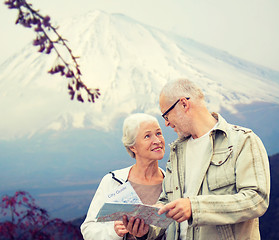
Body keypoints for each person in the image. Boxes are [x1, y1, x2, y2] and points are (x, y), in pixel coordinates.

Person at [124, 78, 270, 240]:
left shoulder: (242, 141)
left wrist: (195, 207)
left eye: (166, 115)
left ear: (184, 104)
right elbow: (166, 204)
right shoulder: (176, 152)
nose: (166, 124)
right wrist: (146, 231)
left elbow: (256, 199)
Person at [80, 113, 166, 240]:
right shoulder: (113, 181)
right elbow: (88, 229)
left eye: (158, 133)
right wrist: (114, 232)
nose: (157, 141)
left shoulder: (172, 183)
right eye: (147, 136)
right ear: (133, 147)